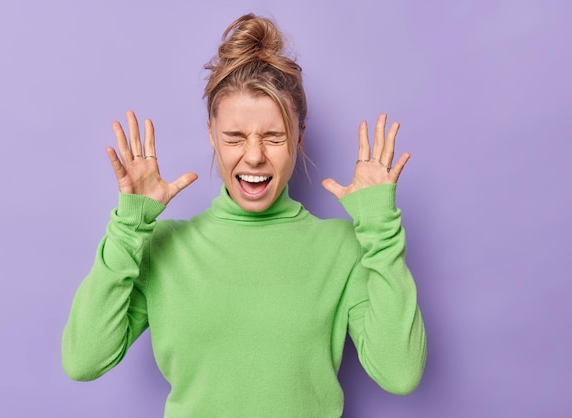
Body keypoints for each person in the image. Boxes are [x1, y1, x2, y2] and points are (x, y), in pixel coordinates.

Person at [62, 13, 426, 417]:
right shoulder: (162, 247)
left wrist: (380, 227)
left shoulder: (342, 247)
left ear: (299, 137)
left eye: (274, 136)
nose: (254, 155)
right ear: (211, 135)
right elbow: (84, 360)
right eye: (234, 137)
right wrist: (129, 226)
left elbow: (400, 373)